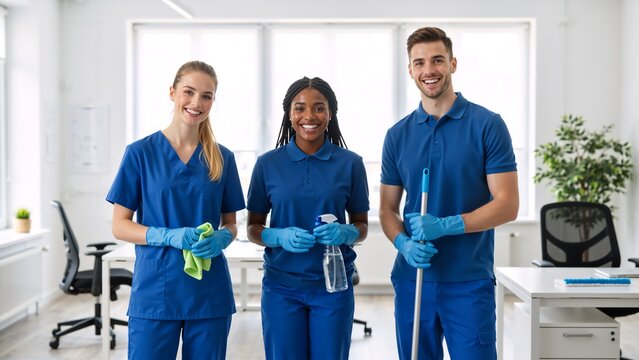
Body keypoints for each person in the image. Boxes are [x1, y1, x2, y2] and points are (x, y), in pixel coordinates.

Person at [379, 27, 519, 360]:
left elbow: (507, 204)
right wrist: (404, 244)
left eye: (438, 60)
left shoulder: (487, 125)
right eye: (420, 63)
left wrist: (447, 225)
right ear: (410, 70)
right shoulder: (397, 135)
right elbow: (387, 210)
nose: (429, 70)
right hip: (413, 280)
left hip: (468, 281)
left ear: (453, 64)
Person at [106, 60, 245, 359]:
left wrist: (224, 237)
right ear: (172, 93)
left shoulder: (223, 158)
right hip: (156, 288)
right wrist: (167, 236)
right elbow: (120, 225)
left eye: (206, 96)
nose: (196, 102)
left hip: (209, 292)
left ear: (213, 101)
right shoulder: (140, 153)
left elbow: (231, 223)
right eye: (189, 92)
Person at [246, 76, 369, 359]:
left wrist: (347, 233)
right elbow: (253, 226)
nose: (309, 116)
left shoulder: (351, 164)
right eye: (300, 108)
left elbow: (361, 224)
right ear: (289, 114)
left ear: (330, 113)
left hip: (333, 287)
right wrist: (275, 236)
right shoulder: (267, 164)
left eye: (319, 108)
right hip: (281, 287)